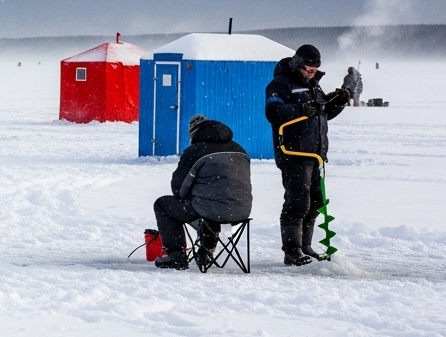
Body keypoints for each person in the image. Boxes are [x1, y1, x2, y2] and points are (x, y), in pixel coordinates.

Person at [265, 44, 350, 266]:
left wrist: (337, 103)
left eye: (315, 68)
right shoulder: (280, 85)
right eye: (308, 67)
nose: (312, 71)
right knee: (297, 202)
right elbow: (273, 112)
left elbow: (321, 115)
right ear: (297, 63)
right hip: (294, 152)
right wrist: (301, 109)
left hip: (316, 155)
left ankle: (305, 247)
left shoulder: (314, 86)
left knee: (315, 201)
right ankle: (292, 251)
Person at [149, 115, 253, 270]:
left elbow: (179, 189)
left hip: (209, 212)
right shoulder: (239, 149)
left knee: (163, 205)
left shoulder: (195, 151)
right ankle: (205, 251)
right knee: (211, 205)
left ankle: (176, 255)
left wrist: (191, 193)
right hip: (241, 212)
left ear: (194, 134)